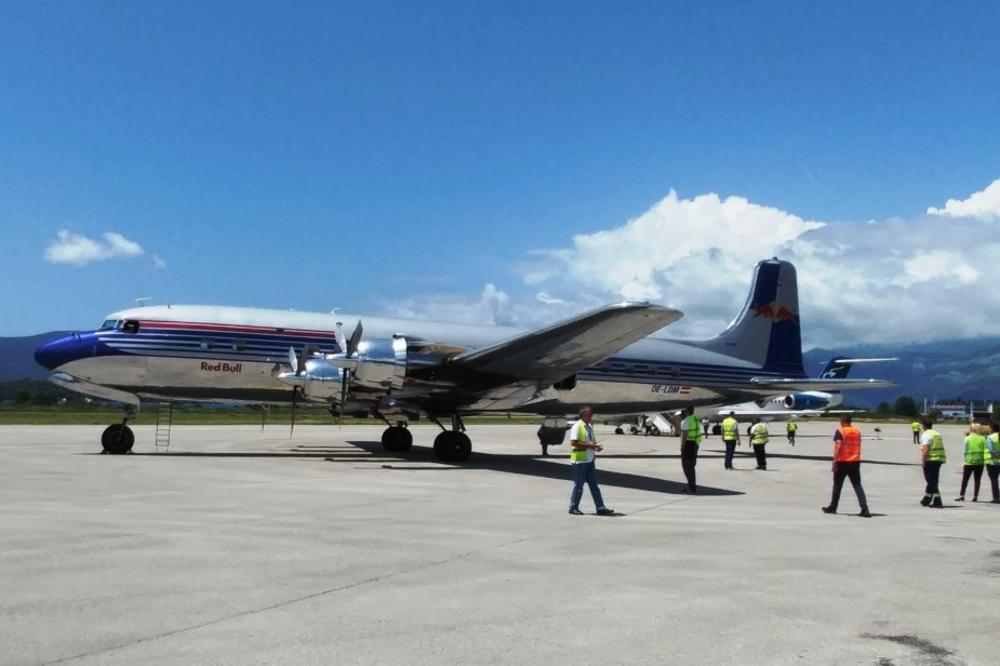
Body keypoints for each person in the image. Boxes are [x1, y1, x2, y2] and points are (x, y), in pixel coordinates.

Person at [567, 407, 614, 515]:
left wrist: (596, 447)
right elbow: (573, 443)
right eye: (589, 415)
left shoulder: (589, 427)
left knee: (594, 486)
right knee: (578, 486)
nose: (591, 417)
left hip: (589, 460)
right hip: (579, 461)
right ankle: (573, 507)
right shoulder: (577, 426)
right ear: (583, 415)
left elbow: (590, 442)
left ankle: (600, 507)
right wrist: (590, 445)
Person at [822, 415, 871, 517]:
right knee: (857, 486)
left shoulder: (840, 431)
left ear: (842, 421)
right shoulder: (857, 431)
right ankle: (865, 509)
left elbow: (839, 446)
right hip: (855, 461)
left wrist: (834, 461)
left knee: (837, 485)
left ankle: (833, 507)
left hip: (842, 461)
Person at [956, 424, 987, 502]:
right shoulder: (983, 438)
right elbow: (985, 449)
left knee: (965, 479)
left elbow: (965, 450)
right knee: (977, 479)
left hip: (969, 461)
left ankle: (962, 495)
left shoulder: (967, 438)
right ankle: (975, 496)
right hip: (980, 461)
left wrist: (966, 457)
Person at [919, 418, 946, 508]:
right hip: (939, 459)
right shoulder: (936, 433)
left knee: (931, 481)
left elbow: (926, 449)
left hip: (931, 459)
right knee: (932, 480)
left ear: (923, 425)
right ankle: (927, 499)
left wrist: (923, 460)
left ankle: (938, 501)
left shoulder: (926, 435)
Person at [679, 407, 702, 493]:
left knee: (686, 466)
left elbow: (685, 434)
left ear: (686, 412)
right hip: (695, 444)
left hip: (688, 445)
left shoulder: (686, 421)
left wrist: (682, 445)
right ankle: (692, 485)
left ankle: (691, 486)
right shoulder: (695, 419)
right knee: (691, 467)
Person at [986, 422, 1000, 504]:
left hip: (992, 462)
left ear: (991, 428)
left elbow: (991, 450)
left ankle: (996, 497)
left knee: (994, 480)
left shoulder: (990, 437)